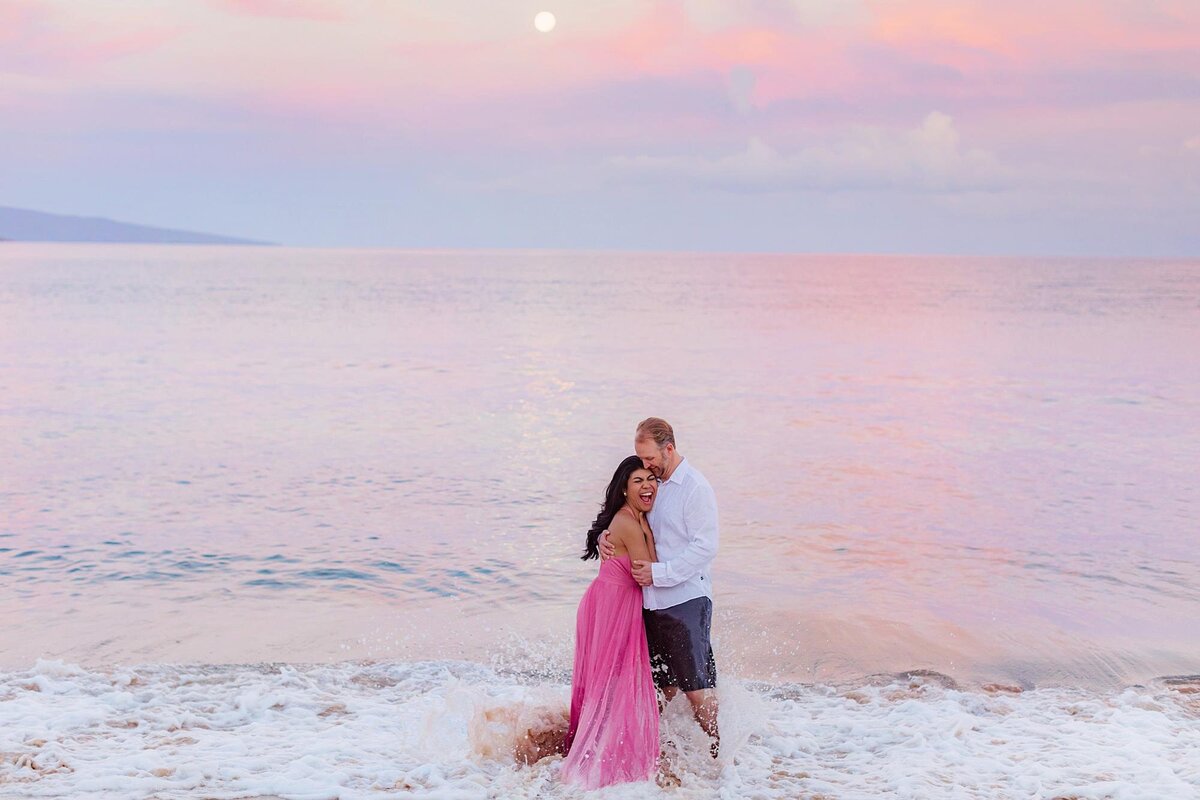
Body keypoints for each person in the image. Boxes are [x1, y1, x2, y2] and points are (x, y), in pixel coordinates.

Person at [600, 417, 720, 757]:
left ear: (669, 448)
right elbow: (626, 515)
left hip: (685, 601)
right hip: (649, 604)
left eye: (651, 457)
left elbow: (705, 546)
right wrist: (604, 538)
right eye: (642, 458)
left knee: (697, 688)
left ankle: (718, 753)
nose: (646, 464)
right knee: (659, 687)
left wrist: (660, 574)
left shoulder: (695, 488)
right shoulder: (653, 484)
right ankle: (657, 752)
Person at [561, 455, 661, 789]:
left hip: (614, 605)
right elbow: (650, 569)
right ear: (624, 488)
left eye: (651, 478)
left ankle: (599, 745)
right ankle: (597, 761)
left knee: (612, 682)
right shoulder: (630, 523)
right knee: (610, 683)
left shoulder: (635, 518)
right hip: (610, 607)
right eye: (638, 481)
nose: (647, 485)